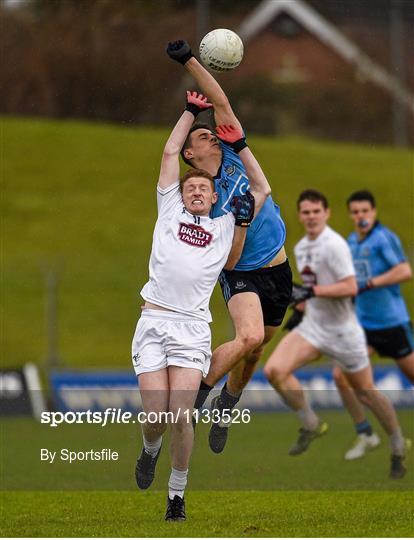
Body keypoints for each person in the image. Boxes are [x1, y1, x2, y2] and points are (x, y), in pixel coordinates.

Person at [131, 91, 270, 521]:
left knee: (180, 414)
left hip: (192, 328)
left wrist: (244, 222)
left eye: (201, 189)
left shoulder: (226, 223)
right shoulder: (168, 205)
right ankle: (149, 450)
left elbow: (235, 252)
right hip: (153, 321)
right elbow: (172, 149)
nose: (193, 191)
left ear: (212, 199)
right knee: (155, 417)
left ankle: (176, 496)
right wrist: (191, 111)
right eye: (189, 186)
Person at [166, 40, 292, 454]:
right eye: (204, 136)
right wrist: (241, 220)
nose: (212, 135)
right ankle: (198, 398)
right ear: (190, 153)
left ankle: (227, 405)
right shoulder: (199, 195)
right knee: (248, 337)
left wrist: (191, 63)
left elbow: (220, 99)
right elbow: (223, 253)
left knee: (255, 352)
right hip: (240, 271)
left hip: (278, 268)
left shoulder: (235, 153)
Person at [263, 189, 409, 479]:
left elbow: (350, 287)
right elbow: (310, 287)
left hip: (345, 333)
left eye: (316, 211)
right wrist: (300, 303)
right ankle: (312, 424)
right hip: (315, 327)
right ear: (299, 215)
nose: (311, 216)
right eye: (306, 212)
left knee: (367, 393)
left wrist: (312, 291)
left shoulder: (335, 245)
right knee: (274, 370)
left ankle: (396, 443)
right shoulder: (302, 246)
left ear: (327, 213)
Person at [331, 190, 413, 460]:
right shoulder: (351, 241)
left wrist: (371, 283)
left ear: (373, 212)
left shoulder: (383, 238)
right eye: (355, 212)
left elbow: (404, 271)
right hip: (363, 325)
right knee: (341, 376)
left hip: (391, 323)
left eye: (365, 211)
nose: (360, 216)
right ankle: (366, 432)